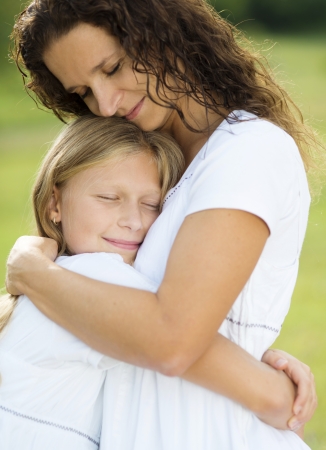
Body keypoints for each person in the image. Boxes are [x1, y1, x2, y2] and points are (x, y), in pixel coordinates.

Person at [7, 0, 321, 448]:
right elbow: (132, 308)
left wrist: (32, 272)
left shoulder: (249, 151)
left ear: (157, 30)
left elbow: (171, 339)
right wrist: (258, 371)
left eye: (113, 67)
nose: (106, 103)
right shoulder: (152, 163)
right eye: (83, 92)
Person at [0, 114, 184, 449]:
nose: (133, 221)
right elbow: (186, 341)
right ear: (55, 203)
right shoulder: (99, 274)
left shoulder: (55, 275)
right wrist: (272, 378)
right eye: (109, 198)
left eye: (151, 204)